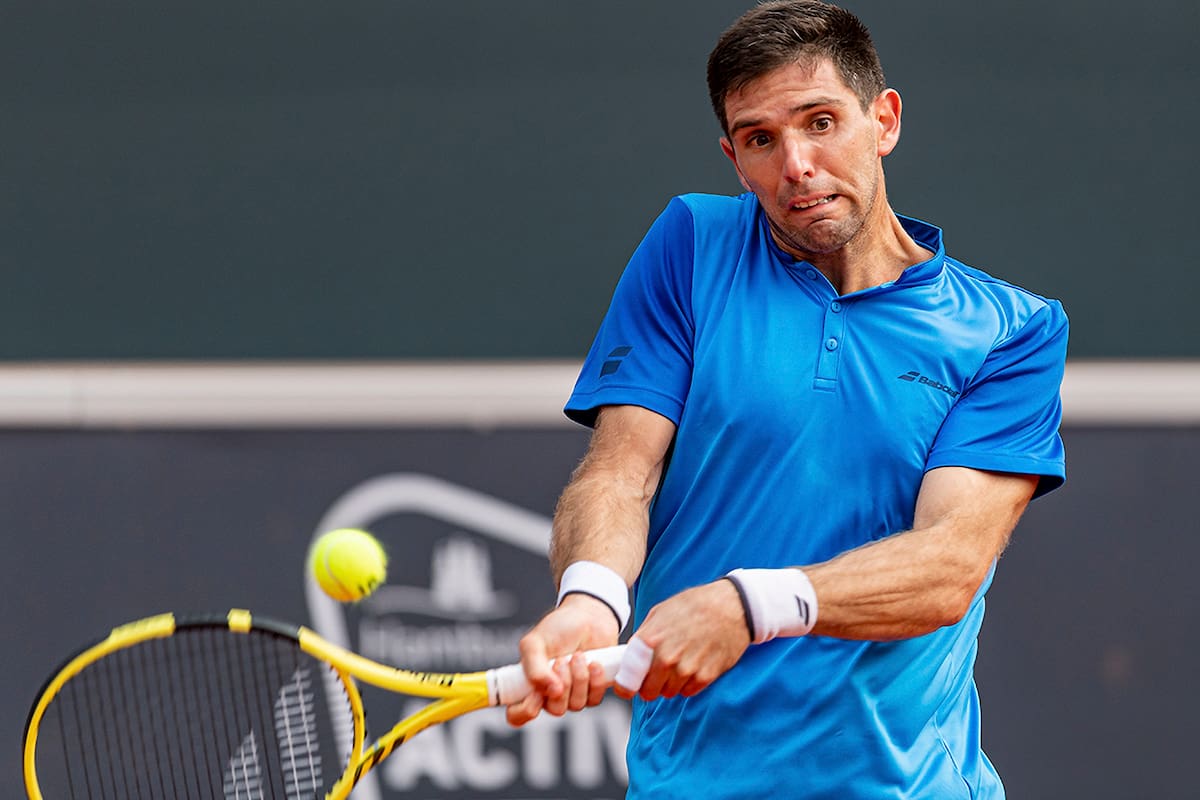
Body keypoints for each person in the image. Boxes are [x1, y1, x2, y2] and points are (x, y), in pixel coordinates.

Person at [507, 1, 1068, 797]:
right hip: (692, 781)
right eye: (761, 138)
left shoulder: (1011, 330)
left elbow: (948, 565)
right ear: (735, 159)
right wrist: (592, 600)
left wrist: (750, 604)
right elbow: (618, 472)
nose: (796, 164)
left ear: (884, 120)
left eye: (820, 121)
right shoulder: (691, 245)